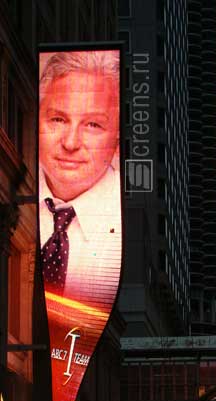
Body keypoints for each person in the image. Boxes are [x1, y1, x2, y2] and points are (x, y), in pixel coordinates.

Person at [39, 50, 122, 304]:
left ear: (117, 140)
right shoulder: (17, 191)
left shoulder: (123, 220)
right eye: (58, 119)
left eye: (93, 125)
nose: (71, 142)